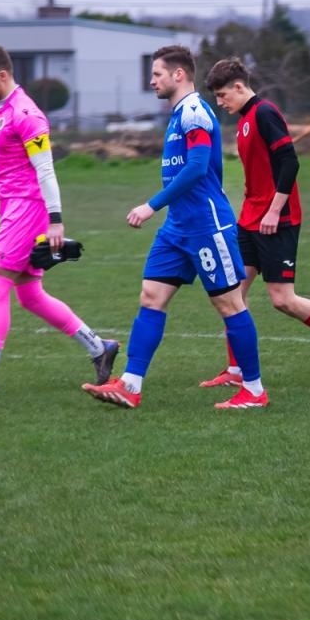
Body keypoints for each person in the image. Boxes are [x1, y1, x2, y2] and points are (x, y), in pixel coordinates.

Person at [83, 45, 265, 409]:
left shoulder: (195, 112)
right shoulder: (178, 114)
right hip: (177, 228)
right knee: (151, 297)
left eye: (157, 74)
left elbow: (197, 168)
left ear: (178, 74)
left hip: (205, 226)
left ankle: (255, 391)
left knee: (230, 305)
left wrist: (151, 205)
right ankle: (130, 386)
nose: (152, 81)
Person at [0, 45, 118, 394]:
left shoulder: (28, 114)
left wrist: (56, 221)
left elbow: (45, 168)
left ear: (3, 75)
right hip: (10, 207)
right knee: (29, 294)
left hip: (28, 209)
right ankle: (99, 348)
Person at [198, 58, 310, 388]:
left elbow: (290, 163)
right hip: (250, 219)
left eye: (221, 95)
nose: (219, 103)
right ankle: (236, 371)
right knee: (232, 296)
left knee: (282, 299)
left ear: (238, 86)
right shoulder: (246, 119)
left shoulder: (265, 113)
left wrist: (274, 210)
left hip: (277, 220)